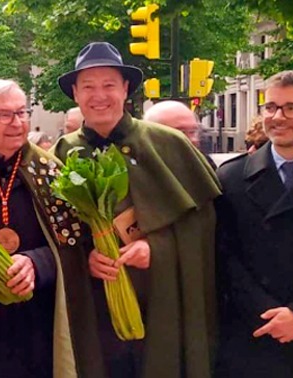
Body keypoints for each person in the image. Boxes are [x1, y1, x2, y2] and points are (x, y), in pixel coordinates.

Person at [53, 41, 221, 378]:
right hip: (97, 305)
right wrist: (85, 257)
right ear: (75, 93)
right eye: (88, 87)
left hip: (165, 301)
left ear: (126, 89)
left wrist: (155, 247)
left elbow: (203, 226)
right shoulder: (62, 151)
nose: (99, 95)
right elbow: (56, 229)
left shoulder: (168, 143)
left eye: (109, 85)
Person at [0, 78, 105, 378]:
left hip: (38, 318)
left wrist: (37, 263)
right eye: (5, 115)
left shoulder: (51, 170)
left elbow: (78, 240)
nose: (17, 122)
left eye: (22, 113)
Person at [215, 70, 293, 377]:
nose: (279, 117)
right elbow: (225, 257)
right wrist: (267, 314)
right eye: (271, 106)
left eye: (291, 107)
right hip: (254, 335)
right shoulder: (232, 177)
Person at [143, 100, 217, 169]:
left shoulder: (207, 166)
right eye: (181, 132)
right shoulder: (137, 172)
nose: (193, 139)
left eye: (193, 131)